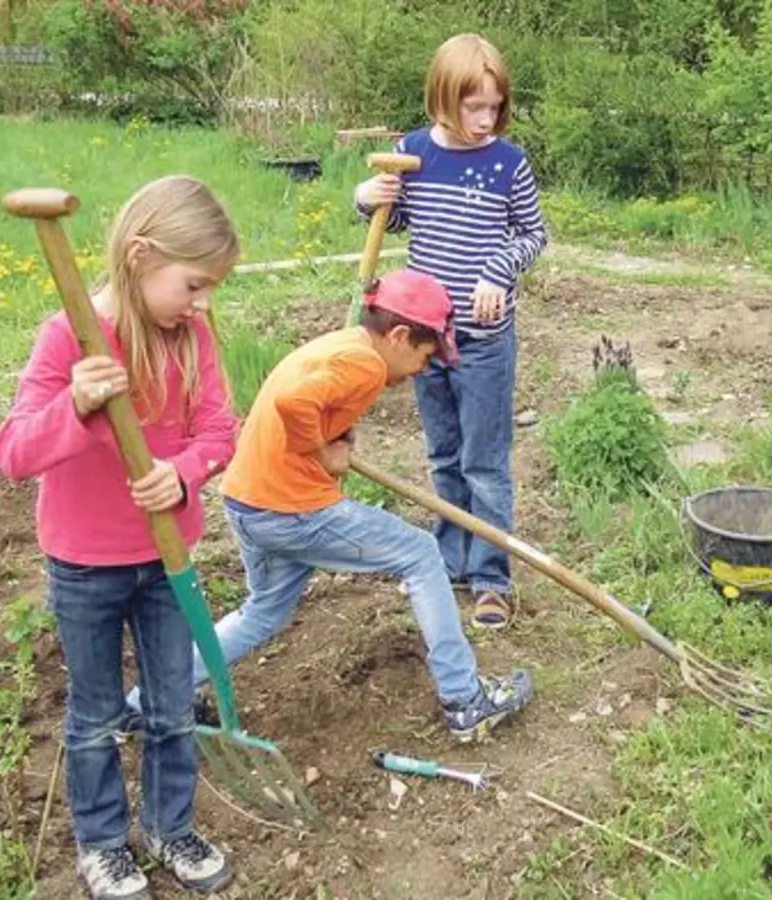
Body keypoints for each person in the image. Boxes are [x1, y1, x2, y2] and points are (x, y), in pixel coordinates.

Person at [0, 175, 240, 899]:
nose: (202, 303)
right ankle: (102, 844)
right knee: (94, 714)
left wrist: (183, 473)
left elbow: (222, 431)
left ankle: (168, 826)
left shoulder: (194, 337)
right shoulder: (70, 336)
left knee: (170, 707)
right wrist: (78, 403)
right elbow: (14, 453)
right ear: (141, 255)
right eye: (193, 284)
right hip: (86, 565)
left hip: (168, 560)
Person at [207, 268, 534, 742]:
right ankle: (466, 701)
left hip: (247, 501)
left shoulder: (344, 346)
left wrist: (333, 434)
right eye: (425, 355)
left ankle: (154, 700)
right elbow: (295, 403)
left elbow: (308, 399)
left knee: (262, 612)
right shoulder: (365, 365)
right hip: (291, 509)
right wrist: (321, 452)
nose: (424, 368)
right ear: (400, 336)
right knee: (421, 554)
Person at [353, 33, 548, 630]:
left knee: (484, 461)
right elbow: (401, 218)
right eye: (473, 107)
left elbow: (533, 235)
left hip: (484, 338)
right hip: (423, 339)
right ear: (443, 98)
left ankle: (491, 577)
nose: (486, 119)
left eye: (494, 106)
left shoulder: (508, 164)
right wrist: (368, 199)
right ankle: (452, 558)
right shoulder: (413, 154)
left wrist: (497, 271)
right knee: (443, 456)